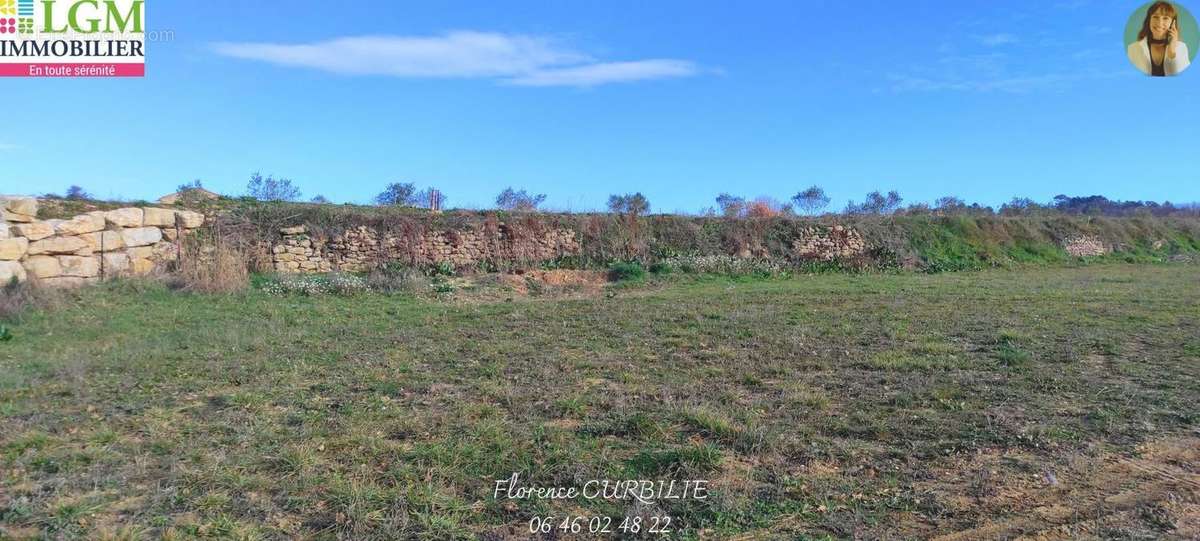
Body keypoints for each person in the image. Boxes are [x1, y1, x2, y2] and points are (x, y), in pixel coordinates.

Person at [1128, 1, 1191, 76]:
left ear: (1172, 23)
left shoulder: (1181, 48)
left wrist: (1172, 52)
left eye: (1165, 18)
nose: (1160, 22)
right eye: (1155, 17)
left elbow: (1183, 78)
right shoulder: (1133, 48)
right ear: (1149, 20)